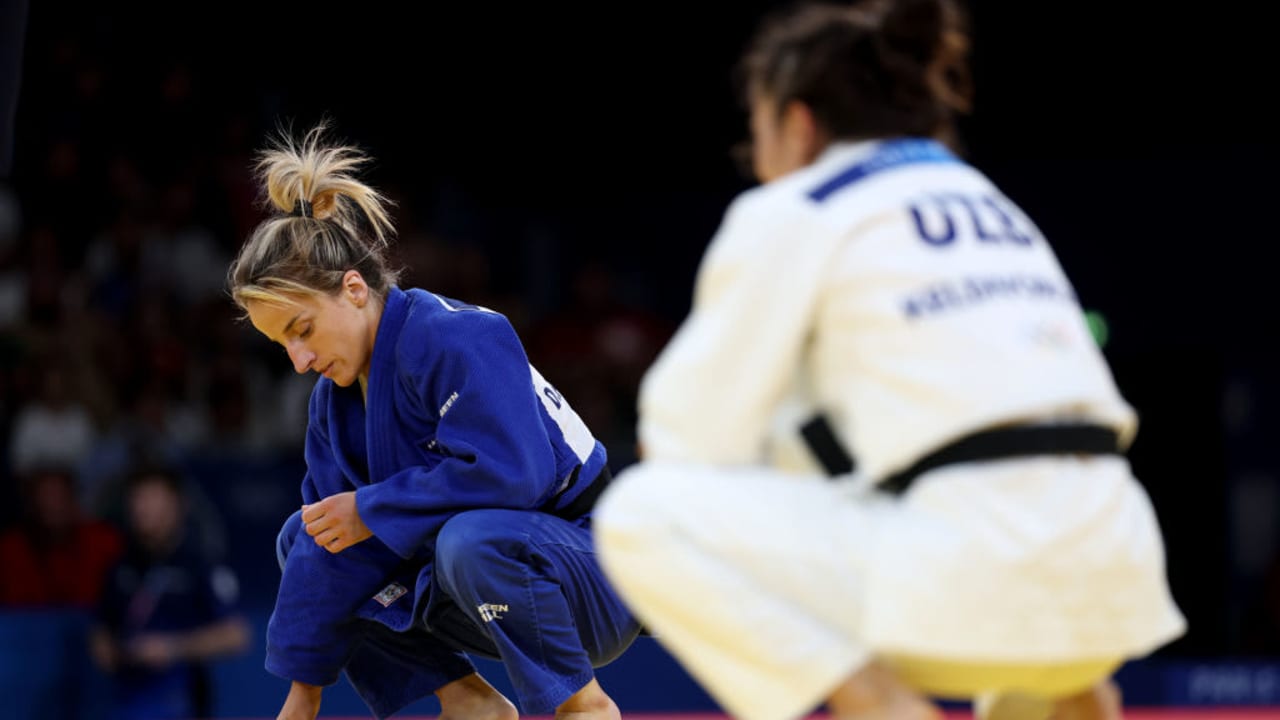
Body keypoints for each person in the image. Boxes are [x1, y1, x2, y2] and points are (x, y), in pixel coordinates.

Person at [590, 2, 1187, 720]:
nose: (757, 158)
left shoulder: (801, 207)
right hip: (1114, 584)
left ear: (798, 122)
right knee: (927, 463)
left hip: (968, 584)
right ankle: (1077, 693)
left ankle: (880, 705)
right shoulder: (985, 199)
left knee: (642, 513)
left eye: (757, 132)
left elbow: (684, 444)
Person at [226, 122, 641, 720]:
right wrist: (302, 696)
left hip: (589, 570)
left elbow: (514, 477)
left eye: (303, 330)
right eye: (282, 346)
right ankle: (468, 701)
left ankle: (582, 705)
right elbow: (327, 552)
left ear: (354, 290)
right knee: (304, 536)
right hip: (480, 584)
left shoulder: (456, 336)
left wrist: (371, 510)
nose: (300, 361)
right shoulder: (333, 402)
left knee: (467, 540)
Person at [90, 464, 251, 720]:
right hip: (125, 699)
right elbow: (102, 628)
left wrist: (171, 648)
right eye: (137, 498)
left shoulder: (201, 564)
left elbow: (235, 636)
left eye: (152, 497)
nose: (142, 508)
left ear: (177, 504)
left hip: (183, 699)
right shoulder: (119, 567)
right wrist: (107, 650)